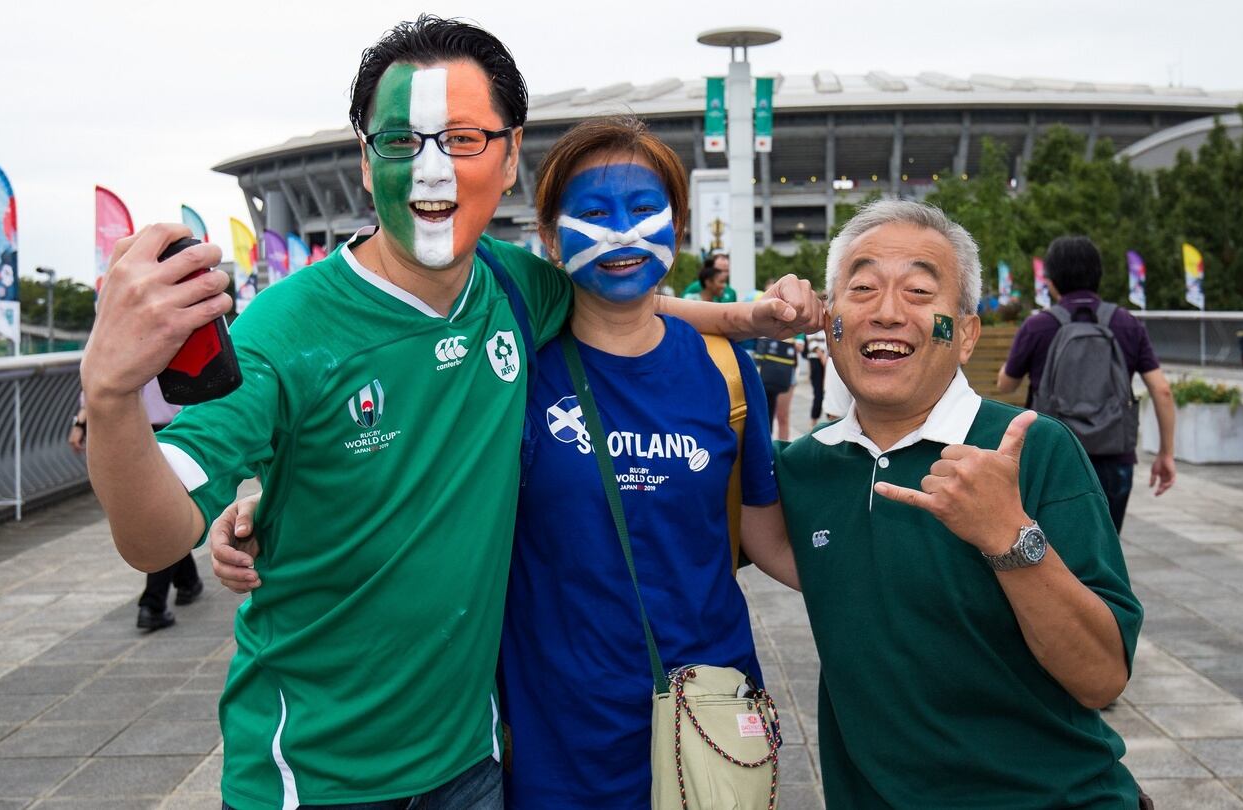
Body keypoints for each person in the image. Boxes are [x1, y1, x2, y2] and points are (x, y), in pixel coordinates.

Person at [79, 16, 819, 809]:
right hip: (317, 778)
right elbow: (152, 536)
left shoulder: (506, 288)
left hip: (474, 761)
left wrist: (743, 320)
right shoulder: (284, 333)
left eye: (464, 139)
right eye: (402, 141)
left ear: (508, 160)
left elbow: (617, 288)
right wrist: (112, 393)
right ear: (366, 163)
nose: (432, 172)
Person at [211, 117, 802, 808]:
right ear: (548, 237)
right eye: (593, 213)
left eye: (644, 211)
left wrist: (908, 582)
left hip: (704, 721)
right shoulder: (514, 362)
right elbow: (419, 462)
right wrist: (277, 508)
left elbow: (765, 540)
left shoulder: (724, 372)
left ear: (677, 226)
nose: (621, 234)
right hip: (557, 733)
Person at [775, 200, 1146, 808]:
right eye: (861, 288)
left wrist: (1008, 535)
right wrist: (741, 320)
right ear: (828, 321)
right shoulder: (803, 468)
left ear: (966, 332)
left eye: (920, 291)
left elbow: (1101, 677)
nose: (888, 311)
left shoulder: (1034, 449)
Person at [997, 235, 1177, 534]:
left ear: (1051, 281)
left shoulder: (1038, 325)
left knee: (1050, 552)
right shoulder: (1126, 323)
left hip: (1051, 455)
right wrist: (1166, 453)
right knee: (1105, 549)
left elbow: (1006, 385)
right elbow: (1162, 390)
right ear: (1098, 276)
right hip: (1114, 456)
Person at [69, 382, 202, 631]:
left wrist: (81, 422)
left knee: (168, 511)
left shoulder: (116, 341)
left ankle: (188, 581)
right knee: (164, 518)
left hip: (138, 430)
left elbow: (101, 376)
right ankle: (152, 605)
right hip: (177, 427)